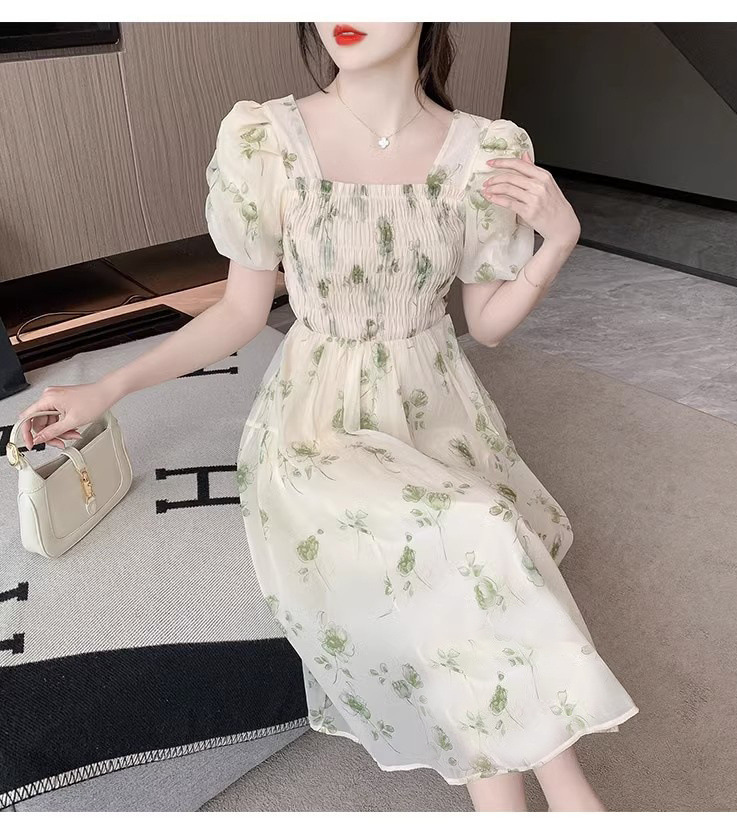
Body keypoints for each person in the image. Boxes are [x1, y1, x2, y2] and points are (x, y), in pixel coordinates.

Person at [16, 22, 638, 812]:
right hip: (315, 423)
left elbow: (485, 325)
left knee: (466, 551)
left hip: (436, 408)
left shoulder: (485, 152)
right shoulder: (266, 141)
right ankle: (571, 803)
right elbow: (240, 312)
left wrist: (559, 241)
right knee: (473, 529)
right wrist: (106, 389)